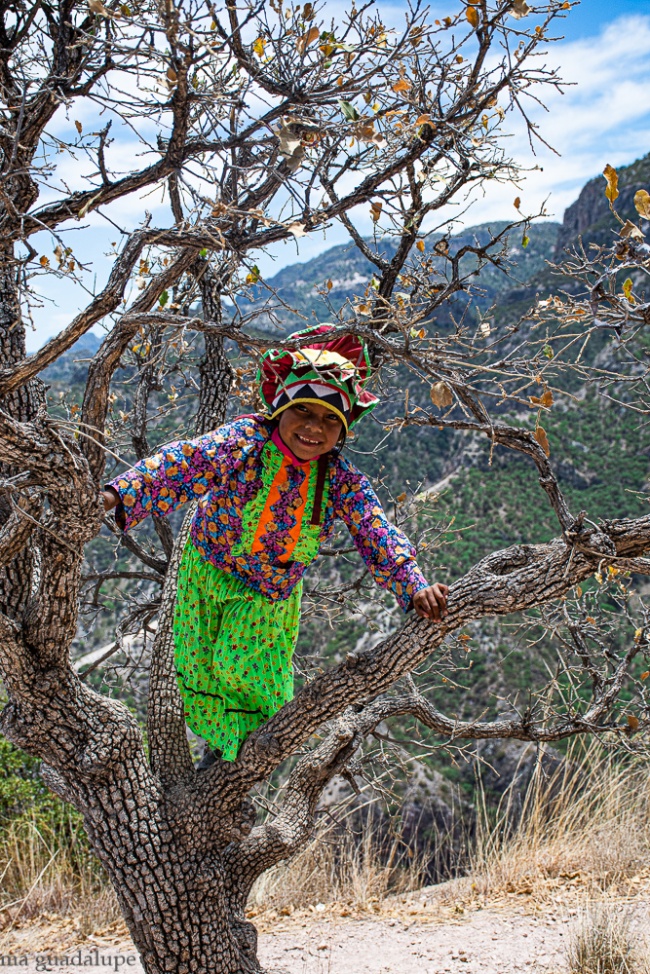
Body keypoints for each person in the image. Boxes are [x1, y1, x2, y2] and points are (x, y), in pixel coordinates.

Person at [102, 325, 448, 765]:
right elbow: (184, 463)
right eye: (303, 410)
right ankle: (220, 742)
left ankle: (245, 754)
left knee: (242, 667)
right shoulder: (244, 441)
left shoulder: (338, 479)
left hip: (268, 592)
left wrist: (413, 585)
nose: (313, 427)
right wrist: (119, 493)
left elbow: (374, 530)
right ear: (279, 408)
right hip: (203, 569)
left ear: (342, 431)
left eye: (329, 419)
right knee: (199, 664)